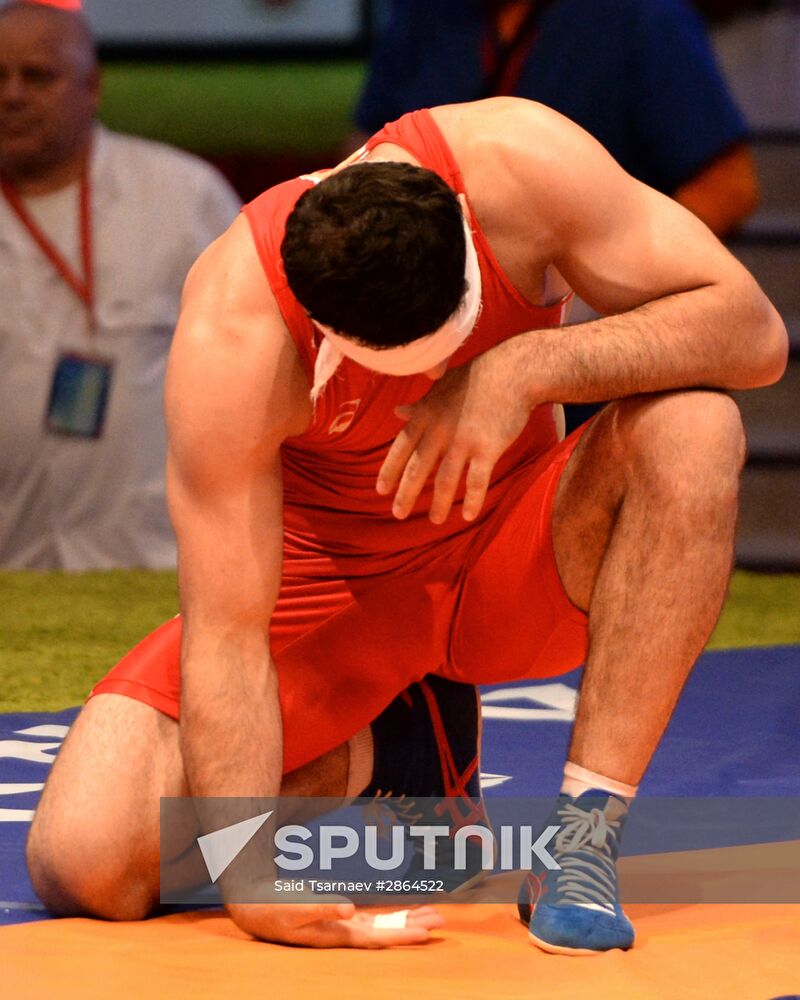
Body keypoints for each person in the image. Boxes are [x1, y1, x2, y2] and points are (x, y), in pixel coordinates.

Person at [27, 97, 787, 954]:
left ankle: (581, 844)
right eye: (396, 366)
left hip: (513, 547)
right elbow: (229, 633)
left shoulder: (522, 165)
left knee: (695, 426)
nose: (424, 384)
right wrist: (250, 874)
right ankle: (396, 753)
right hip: (334, 592)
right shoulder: (236, 328)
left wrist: (526, 364)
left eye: (446, 344)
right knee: (86, 863)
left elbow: (753, 333)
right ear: (322, 321)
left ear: (467, 237)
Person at [0, 0, 240, 569]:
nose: (11, 95)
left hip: (156, 559)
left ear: (93, 86)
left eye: (38, 76)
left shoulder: (183, 197)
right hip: (9, 561)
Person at [354, 0, 759, 238]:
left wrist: (609, 273)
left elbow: (728, 189)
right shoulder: (425, 14)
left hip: (592, 309)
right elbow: (359, 158)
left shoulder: (641, 15)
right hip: (424, 298)